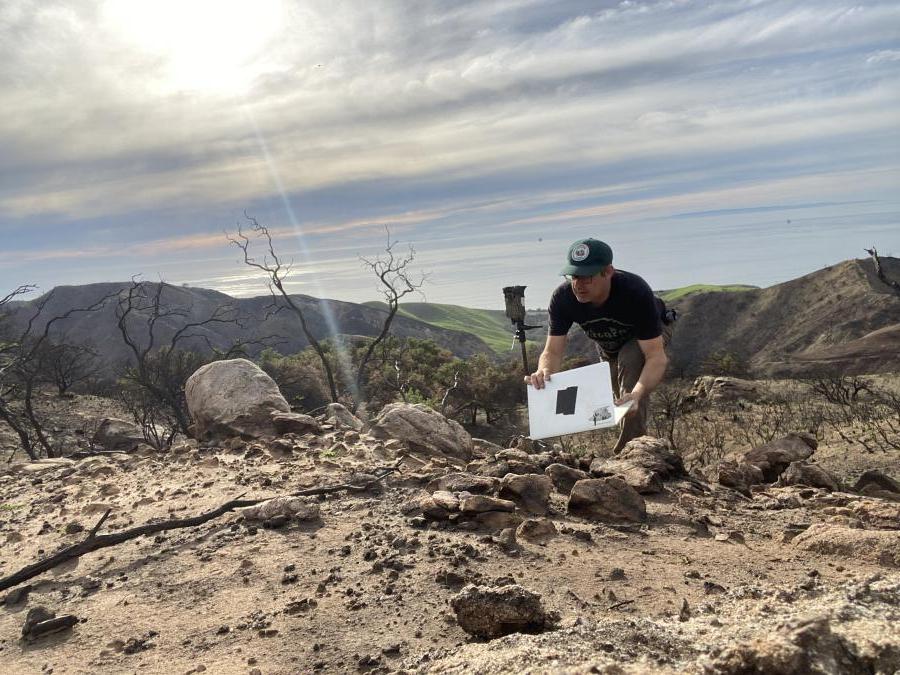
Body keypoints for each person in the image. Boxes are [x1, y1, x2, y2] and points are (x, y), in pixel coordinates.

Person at [525, 238, 674, 453]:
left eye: (587, 277)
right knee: (620, 400)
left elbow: (656, 357)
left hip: (648, 336)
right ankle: (633, 443)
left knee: (630, 372)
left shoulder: (635, 291)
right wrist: (544, 372)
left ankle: (633, 453)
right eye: (575, 276)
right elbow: (552, 351)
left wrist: (638, 394)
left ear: (608, 272)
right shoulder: (563, 298)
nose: (579, 284)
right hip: (608, 345)